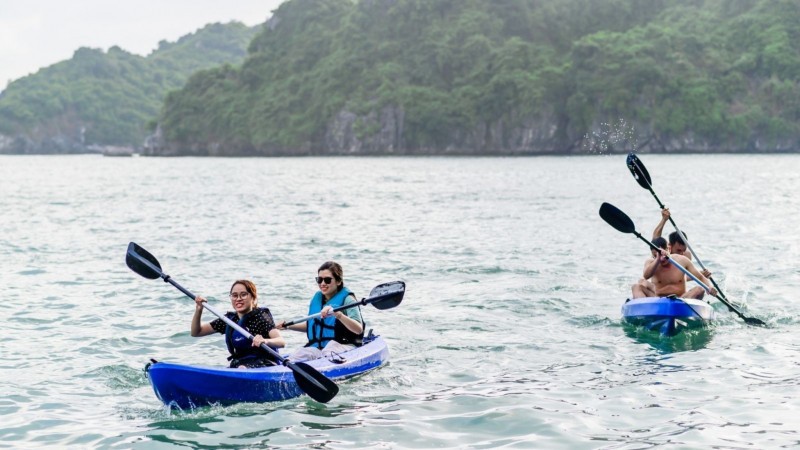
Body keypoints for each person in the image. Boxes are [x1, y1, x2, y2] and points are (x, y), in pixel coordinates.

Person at [277, 261, 364, 361]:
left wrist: (338, 315)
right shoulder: (318, 299)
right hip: (320, 348)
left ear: (338, 281)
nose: (322, 283)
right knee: (299, 354)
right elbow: (313, 325)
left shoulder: (347, 300)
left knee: (329, 350)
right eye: (319, 279)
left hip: (344, 345)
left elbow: (358, 329)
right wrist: (288, 326)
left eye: (327, 280)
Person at [191, 279, 285, 369]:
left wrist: (265, 341)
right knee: (239, 367)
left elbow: (281, 342)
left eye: (243, 295)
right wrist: (199, 309)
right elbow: (196, 332)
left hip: (265, 362)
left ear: (253, 297)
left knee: (242, 368)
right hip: (240, 363)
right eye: (234, 295)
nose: (238, 299)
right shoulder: (229, 320)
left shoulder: (261, 316)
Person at [631, 247, 717, 300]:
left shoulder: (682, 260)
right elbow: (645, 276)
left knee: (700, 289)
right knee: (636, 286)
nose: (662, 259)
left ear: (668, 249)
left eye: (663, 255)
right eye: (655, 255)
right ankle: (644, 314)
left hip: (681, 299)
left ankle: (683, 311)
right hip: (657, 299)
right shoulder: (651, 262)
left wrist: (710, 287)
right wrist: (657, 259)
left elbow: (701, 277)